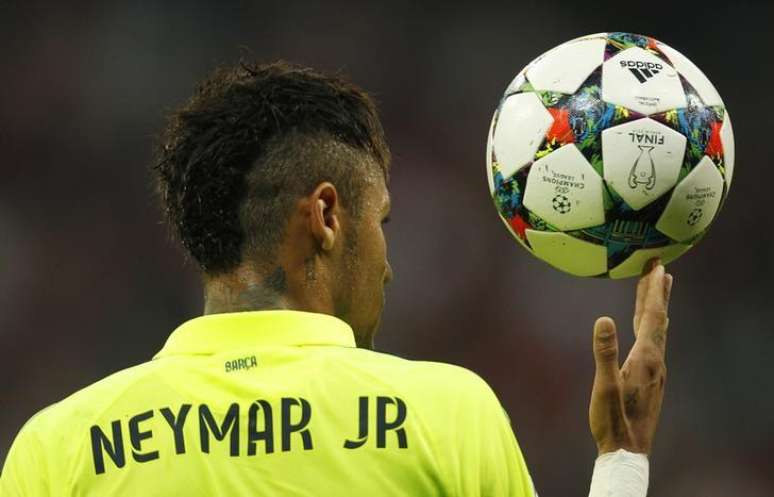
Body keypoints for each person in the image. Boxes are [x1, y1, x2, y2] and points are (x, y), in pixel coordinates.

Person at [0, 61, 673, 496]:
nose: (389, 263)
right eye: (381, 219)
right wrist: (621, 462)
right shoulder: (447, 414)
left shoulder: (58, 448)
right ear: (325, 214)